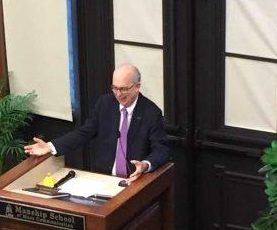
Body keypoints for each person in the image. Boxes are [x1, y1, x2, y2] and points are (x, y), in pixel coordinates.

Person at [23, 63, 170, 183]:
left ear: (137, 86)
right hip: (104, 179)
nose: (119, 94)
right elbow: (84, 133)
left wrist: (145, 165)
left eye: (124, 89)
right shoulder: (105, 104)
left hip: (135, 181)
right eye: (115, 88)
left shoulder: (151, 112)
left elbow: (162, 149)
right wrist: (50, 146)